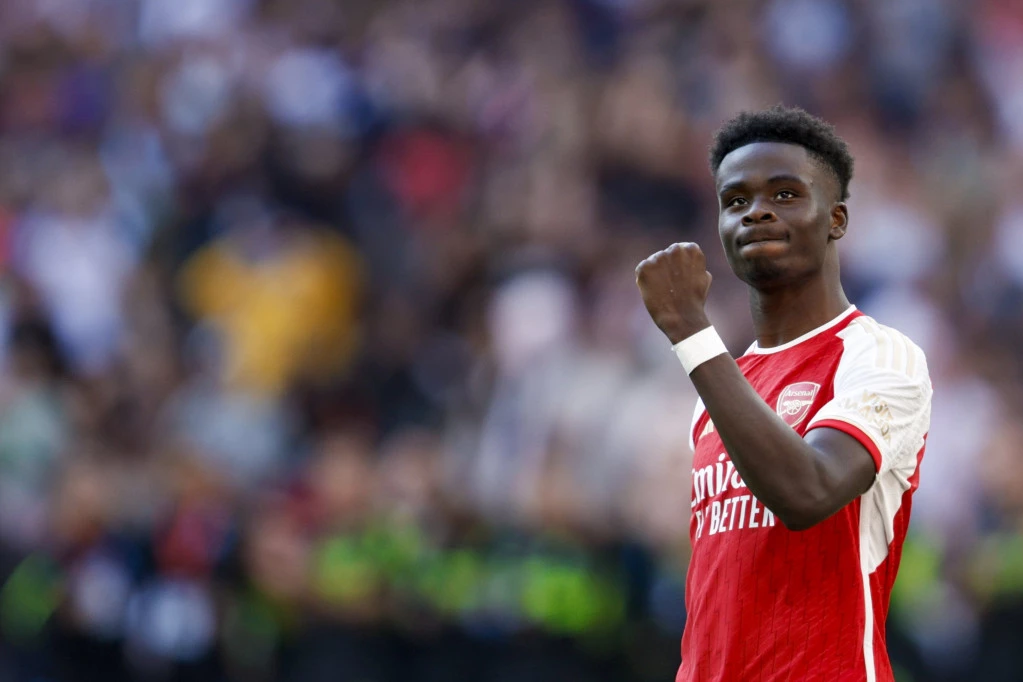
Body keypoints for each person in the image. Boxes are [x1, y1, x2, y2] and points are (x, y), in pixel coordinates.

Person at [635, 106, 932, 682]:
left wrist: (692, 334)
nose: (757, 211)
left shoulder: (878, 355)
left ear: (836, 219)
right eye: (735, 200)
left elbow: (807, 492)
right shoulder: (722, 386)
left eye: (786, 194)